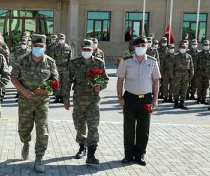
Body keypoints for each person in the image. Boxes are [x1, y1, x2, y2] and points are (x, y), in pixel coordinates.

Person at [11, 34, 59, 173]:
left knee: (42, 130)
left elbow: (55, 81)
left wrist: (45, 88)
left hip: (42, 101)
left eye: (41, 46)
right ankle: (25, 142)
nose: (38, 48)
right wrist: (23, 90)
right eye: (36, 46)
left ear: (45, 47)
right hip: (25, 100)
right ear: (31, 46)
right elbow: (14, 78)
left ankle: (39, 157)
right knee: (24, 128)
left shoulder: (50, 62)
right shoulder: (21, 61)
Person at [116, 36, 161, 166]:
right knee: (129, 128)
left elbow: (156, 81)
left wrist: (155, 99)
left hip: (146, 98)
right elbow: (120, 80)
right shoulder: (126, 61)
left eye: (143, 45)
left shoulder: (152, 62)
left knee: (144, 129)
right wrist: (120, 97)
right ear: (134, 47)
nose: (141, 48)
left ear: (147, 47)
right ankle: (128, 155)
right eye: (138, 46)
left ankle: (140, 155)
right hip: (130, 98)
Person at [63, 39, 109, 164]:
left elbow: (105, 79)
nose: (86, 51)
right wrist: (66, 99)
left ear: (93, 50)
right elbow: (67, 81)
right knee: (79, 125)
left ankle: (91, 154)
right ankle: (82, 147)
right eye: (84, 49)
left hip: (93, 100)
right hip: (78, 100)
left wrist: (100, 86)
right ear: (81, 50)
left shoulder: (99, 63)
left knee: (93, 126)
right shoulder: (74, 63)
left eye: (89, 49)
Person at [50, 33, 72, 103]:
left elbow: (70, 59)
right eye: (60, 38)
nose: (61, 40)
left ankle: (63, 97)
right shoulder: (54, 48)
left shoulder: (68, 48)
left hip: (65, 68)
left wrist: (70, 69)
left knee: (65, 84)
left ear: (65, 39)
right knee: (57, 82)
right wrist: (52, 70)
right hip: (57, 68)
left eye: (62, 39)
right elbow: (52, 59)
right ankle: (57, 97)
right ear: (58, 39)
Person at [171, 42, 194, 109]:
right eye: (181, 47)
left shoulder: (189, 56)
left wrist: (191, 76)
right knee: (176, 89)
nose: (183, 48)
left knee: (184, 89)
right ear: (179, 48)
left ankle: (182, 103)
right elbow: (171, 67)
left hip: (186, 75)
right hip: (177, 75)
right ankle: (176, 103)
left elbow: (191, 67)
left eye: (184, 47)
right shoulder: (175, 56)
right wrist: (172, 76)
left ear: (186, 48)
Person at [196, 40, 210, 104]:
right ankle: (199, 98)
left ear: (209, 45)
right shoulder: (199, 54)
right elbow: (196, 63)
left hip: (207, 73)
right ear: (202, 46)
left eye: (207, 45)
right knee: (199, 86)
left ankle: (204, 99)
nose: (206, 46)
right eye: (205, 45)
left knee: (205, 86)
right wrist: (196, 72)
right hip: (200, 72)